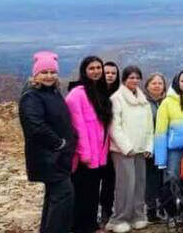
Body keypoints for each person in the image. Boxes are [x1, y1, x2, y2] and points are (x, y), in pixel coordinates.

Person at [20, 51, 77, 233]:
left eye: (52, 72)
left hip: (57, 157)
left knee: (54, 197)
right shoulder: (32, 96)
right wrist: (59, 143)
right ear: (36, 74)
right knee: (63, 197)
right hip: (48, 157)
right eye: (44, 72)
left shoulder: (52, 92)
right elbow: (35, 126)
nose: (49, 76)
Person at [65, 55, 113, 233]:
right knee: (83, 193)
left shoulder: (100, 91)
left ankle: (91, 225)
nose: (96, 71)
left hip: (99, 154)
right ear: (84, 71)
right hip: (85, 156)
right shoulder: (76, 95)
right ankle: (81, 227)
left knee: (93, 192)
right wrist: (85, 153)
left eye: (98, 68)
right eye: (91, 68)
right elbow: (77, 127)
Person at [106, 66, 154, 233]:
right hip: (123, 150)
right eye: (130, 77)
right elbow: (114, 127)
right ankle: (119, 218)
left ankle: (138, 215)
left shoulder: (143, 100)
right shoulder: (116, 98)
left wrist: (148, 146)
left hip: (141, 149)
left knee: (140, 184)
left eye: (137, 78)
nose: (134, 81)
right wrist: (127, 147)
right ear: (124, 79)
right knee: (125, 185)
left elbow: (149, 126)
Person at [154, 70, 183, 190]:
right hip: (174, 151)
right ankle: (170, 207)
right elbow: (160, 132)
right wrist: (161, 159)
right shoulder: (167, 103)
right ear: (177, 83)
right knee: (172, 179)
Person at [142, 73, 167, 223]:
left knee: (162, 178)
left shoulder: (167, 102)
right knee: (151, 180)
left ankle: (163, 206)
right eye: (154, 83)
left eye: (160, 83)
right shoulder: (143, 103)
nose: (157, 86)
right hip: (149, 147)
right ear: (147, 86)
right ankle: (151, 209)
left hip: (163, 146)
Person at [100, 61, 120, 226]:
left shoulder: (120, 93)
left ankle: (106, 210)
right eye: (107, 72)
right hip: (95, 143)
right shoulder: (93, 92)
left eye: (113, 73)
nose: (110, 75)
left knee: (109, 179)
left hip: (113, 144)